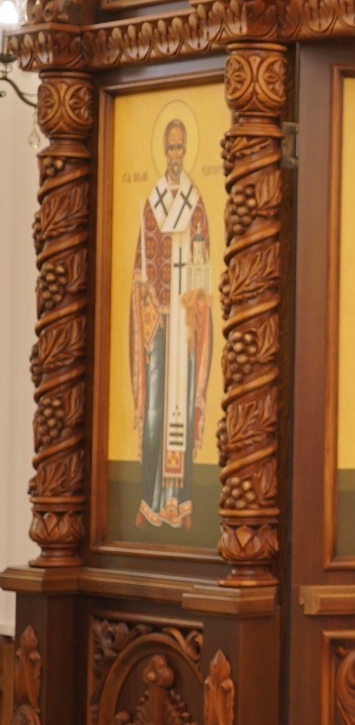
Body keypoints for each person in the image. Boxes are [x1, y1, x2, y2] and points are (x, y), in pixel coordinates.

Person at [130, 117, 212, 528]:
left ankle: (180, 502)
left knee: (181, 409)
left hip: (186, 326)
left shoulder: (196, 205)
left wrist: (196, 297)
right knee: (154, 414)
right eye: (171, 148)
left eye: (181, 148)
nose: (176, 155)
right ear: (164, 151)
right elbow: (139, 270)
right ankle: (149, 500)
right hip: (160, 325)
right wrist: (147, 299)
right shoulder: (152, 204)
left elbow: (205, 267)